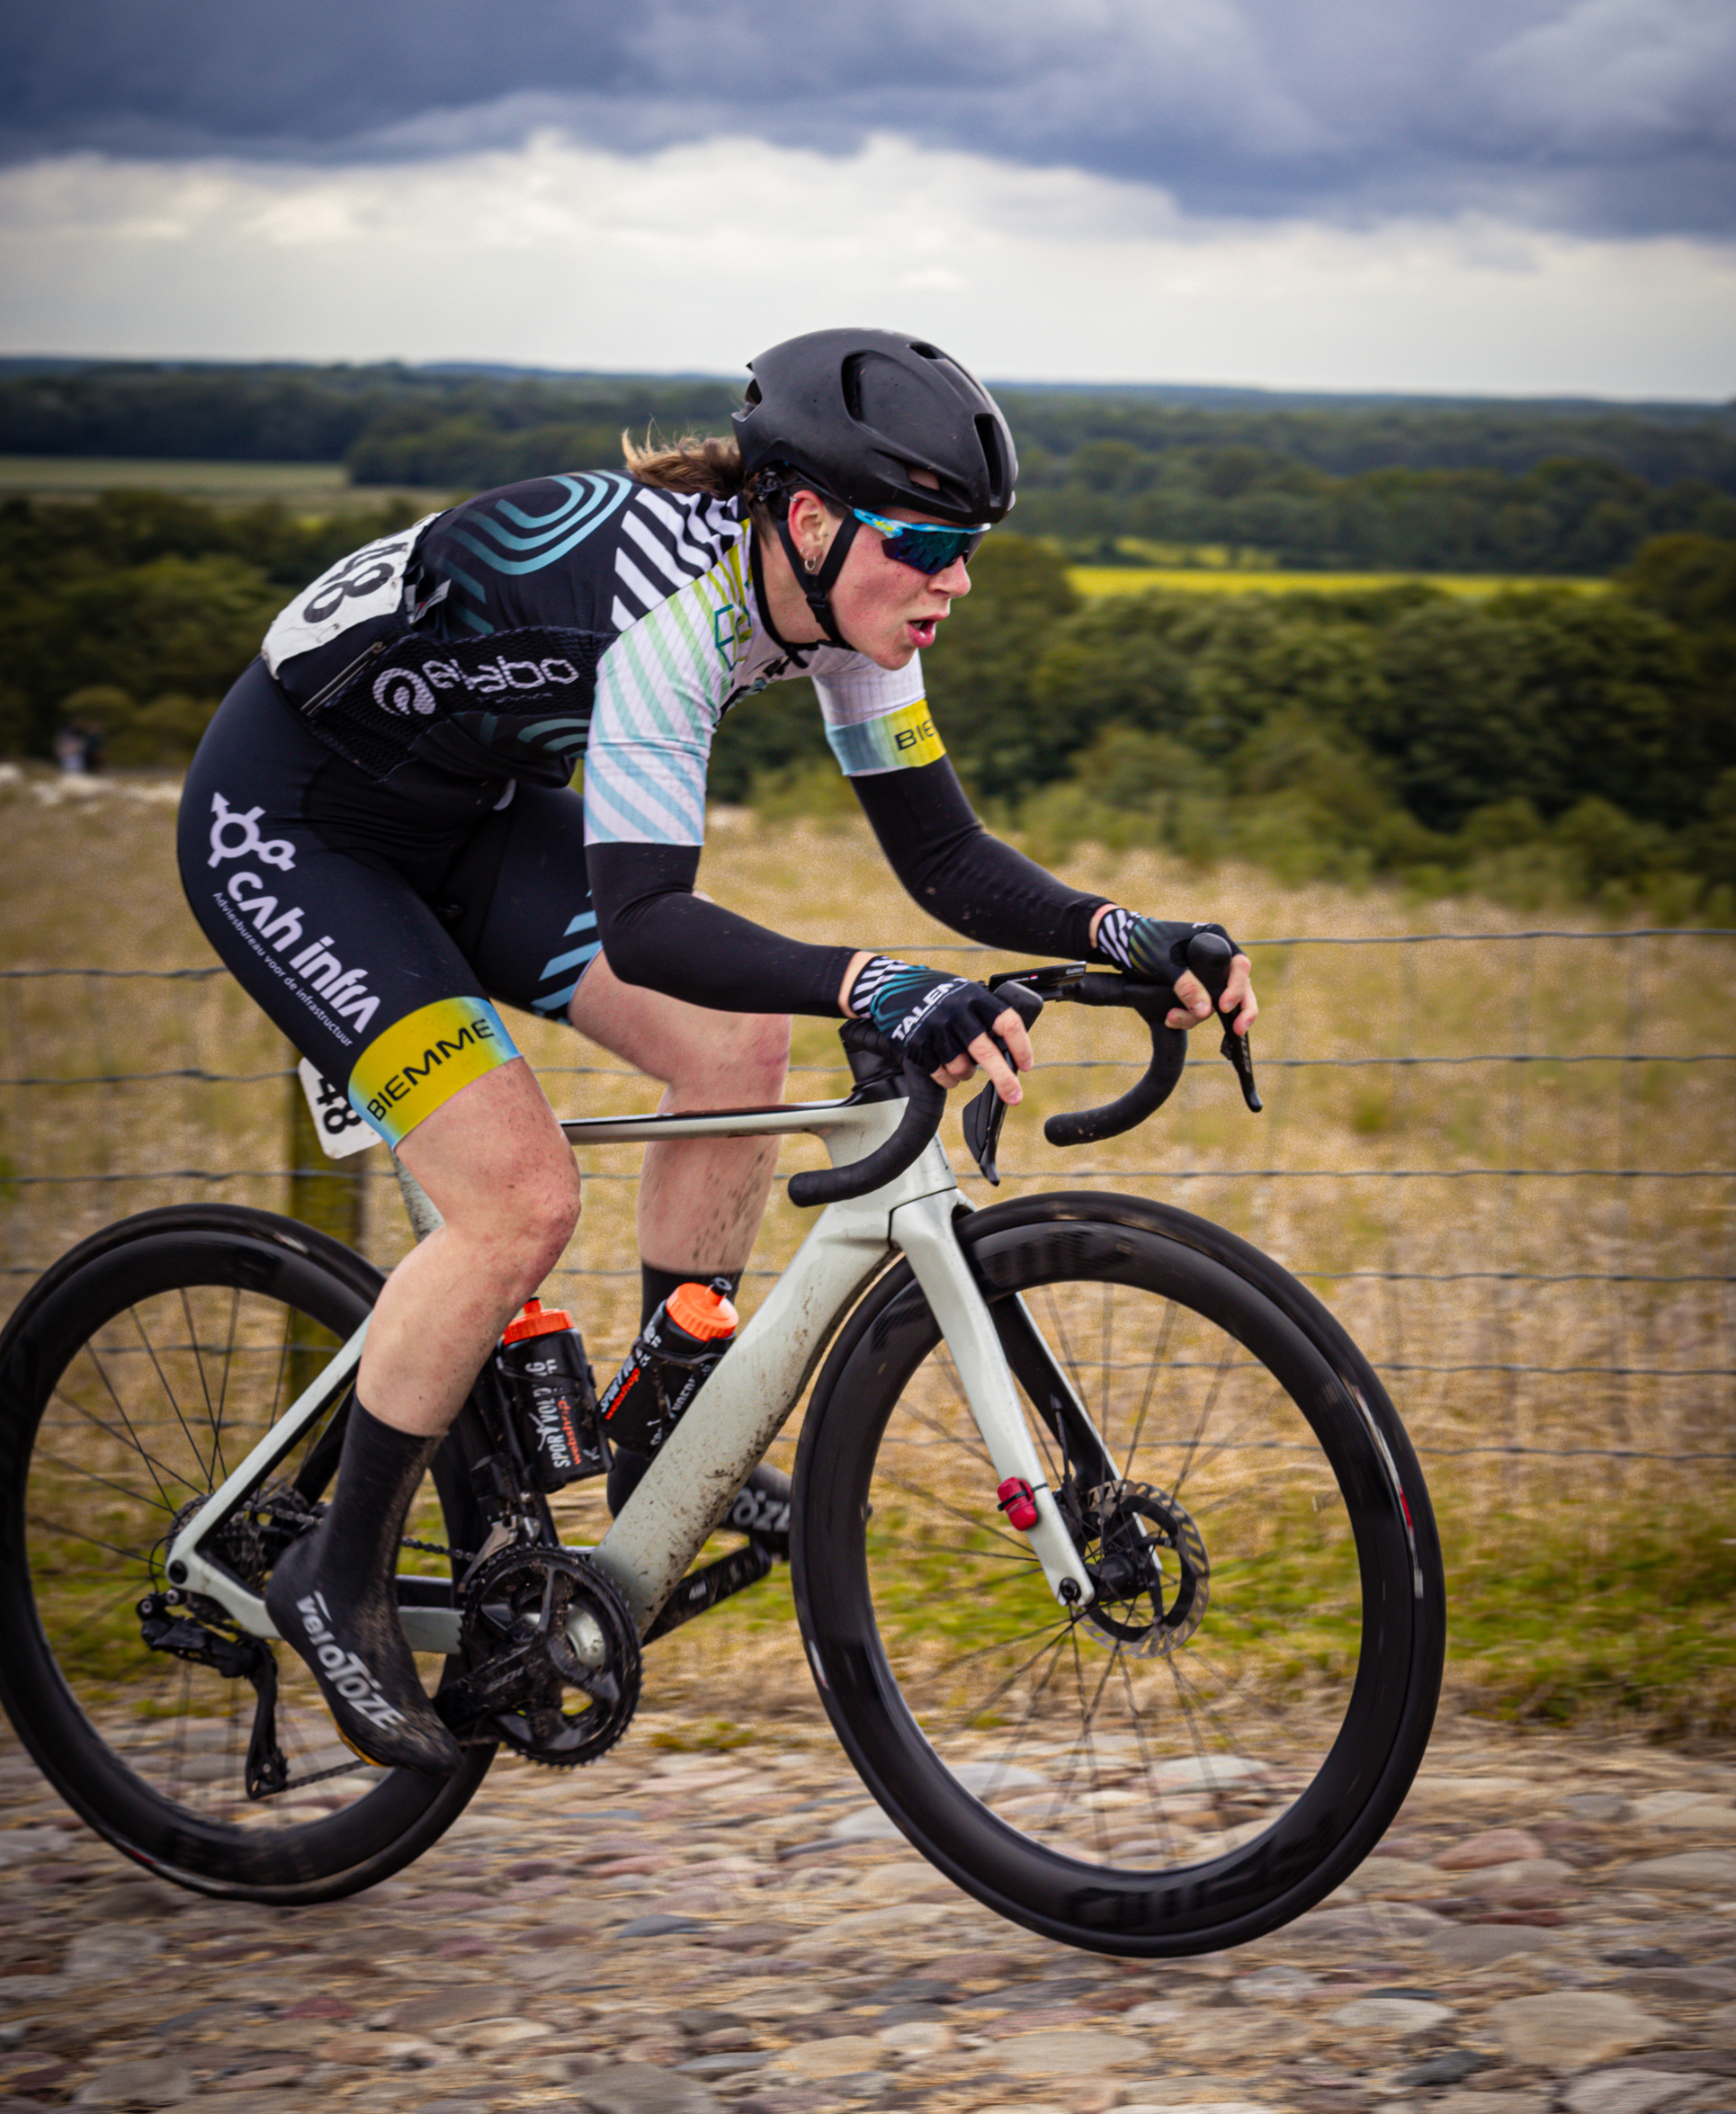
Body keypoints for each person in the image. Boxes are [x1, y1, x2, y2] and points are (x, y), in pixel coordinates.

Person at [177, 327, 1257, 1773]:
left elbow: (941, 856)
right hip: (294, 828)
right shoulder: (670, 613)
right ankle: (338, 1569)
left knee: (742, 1046)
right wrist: (875, 985)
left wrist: (1131, 936)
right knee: (519, 1196)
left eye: (968, 549)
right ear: (808, 518)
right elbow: (650, 923)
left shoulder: (834, 604)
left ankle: (661, 1434)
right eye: (929, 545)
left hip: (459, 818)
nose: (956, 581)